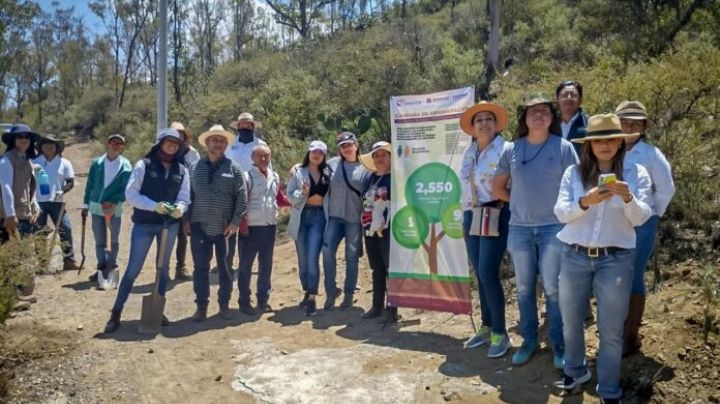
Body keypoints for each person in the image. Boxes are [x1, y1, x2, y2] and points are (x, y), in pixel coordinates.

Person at [553, 113, 652, 403]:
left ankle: (609, 389)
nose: (605, 145)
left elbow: (641, 218)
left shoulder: (636, 173)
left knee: (610, 329)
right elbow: (560, 212)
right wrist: (585, 201)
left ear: (621, 142)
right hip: (574, 255)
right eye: (598, 140)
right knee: (571, 321)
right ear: (590, 144)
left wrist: (628, 198)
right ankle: (575, 372)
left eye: (611, 139)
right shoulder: (574, 173)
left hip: (615, 259)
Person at [492, 93, 578, 368]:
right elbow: (497, 188)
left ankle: (559, 346)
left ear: (552, 117)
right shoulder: (511, 149)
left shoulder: (564, 147)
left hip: (554, 228)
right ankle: (529, 341)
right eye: (533, 111)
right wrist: (517, 201)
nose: (538, 114)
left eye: (544, 110)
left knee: (553, 289)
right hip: (518, 229)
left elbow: (575, 189)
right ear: (525, 119)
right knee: (525, 289)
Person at [103, 128, 190, 333]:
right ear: (160, 143)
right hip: (145, 224)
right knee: (133, 268)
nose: (172, 145)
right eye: (169, 141)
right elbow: (131, 194)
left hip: (169, 225)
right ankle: (116, 312)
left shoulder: (182, 170)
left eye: (176, 143)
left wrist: (180, 208)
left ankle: (157, 309)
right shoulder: (144, 165)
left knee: (163, 268)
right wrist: (154, 206)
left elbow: (185, 197)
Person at [615, 100, 676, 357]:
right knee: (615, 275)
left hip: (641, 224)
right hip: (614, 224)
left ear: (643, 126)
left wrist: (652, 213)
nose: (628, 126)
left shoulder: (651, 154)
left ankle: (630, 336)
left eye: (635, 122)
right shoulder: (610, 149)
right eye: (624, 121)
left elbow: (666, 189)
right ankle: (616, 329)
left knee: (634, 275)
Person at [458, 101, 512, 358]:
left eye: (488, 119)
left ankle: (501, 333)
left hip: (496, 212)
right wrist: (463, 217)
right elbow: (464, 186)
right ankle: (487, 326)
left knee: (489, 273)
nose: (483, 123)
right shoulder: (469, 153)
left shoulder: (506, 150)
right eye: (478, 120)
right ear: (472, 127)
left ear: (496, 124)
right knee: (480, 274)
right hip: (472, 215)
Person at [186, 125, 246, 322]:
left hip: (225, 228)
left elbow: (241, 196)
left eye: (221, 141)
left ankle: (224, 305)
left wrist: (236, 222)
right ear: (206, 144)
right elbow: (187, 196)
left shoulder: (234, 168)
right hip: (199, 226)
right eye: (214, 140)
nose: (218, 144)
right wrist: (186, 220)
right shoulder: (194, 168)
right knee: (200, 268)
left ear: (226, 144)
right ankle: (201, 306)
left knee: (226, 268)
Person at [322, 132, 367, 310]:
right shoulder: (332, 164)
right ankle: (331, 291)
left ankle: (349, 294)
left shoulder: (365, 166)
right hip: (334, 216)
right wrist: (298, 167)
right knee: (326, 252)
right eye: (343, 146)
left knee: (351, 257)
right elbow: (314, 170)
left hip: (354, 219)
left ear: (356, 145)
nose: (346, 148)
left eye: (349, 144)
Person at [287, 140, 331, 317]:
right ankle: (307, 290)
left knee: (313, 257)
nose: (317, 155)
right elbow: (290, 196)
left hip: (319, 217)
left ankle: (312, 296)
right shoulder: (298, 172)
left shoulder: (329, 171)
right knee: (302, 258)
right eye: (314, 151)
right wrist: (302, 192)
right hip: (301, 216)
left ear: (324, 155)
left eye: (321, 152)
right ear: (309, 153)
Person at [82, 134, 132, 285]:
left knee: (113, 239)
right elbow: (90, 185)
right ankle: (101, 267)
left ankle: (112, 265)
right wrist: (85, 205)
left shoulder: (126, 166)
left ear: (122, 147)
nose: (116, 145)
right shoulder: (97, 163)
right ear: (107, 144)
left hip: (113, 209)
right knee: (99, 239)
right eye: (114, 143)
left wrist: (115, 201)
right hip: (96, 207)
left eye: (120, 143)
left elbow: (128, 189)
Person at [237, 144, 280, 315]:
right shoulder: (246, 177)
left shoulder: (274, 175)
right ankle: (244, 300)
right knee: (246, 265)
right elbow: (241, 203)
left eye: (266, 156)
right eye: (260, 156)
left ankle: (263, 299)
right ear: (252, 158)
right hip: (251, 227)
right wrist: (243, 226)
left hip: (269, 225)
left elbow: (278, 197)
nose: (263, 159)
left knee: (266, 264)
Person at [359, 141, 398, 323]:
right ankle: (377, 306)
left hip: (389, 230)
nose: (380, 158)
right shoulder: (369, 178)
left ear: (390, 157)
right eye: (376, 155)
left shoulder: (396, 178)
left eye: (384, 155)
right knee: (376, 268)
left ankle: (392, 309)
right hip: (369, 229)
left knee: (391, 268)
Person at [224, 112, 267, 274]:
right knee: (229, 227)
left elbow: (266, 166)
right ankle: (226, 263)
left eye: (248, 124)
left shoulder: (261, 144)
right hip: (231, 190)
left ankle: (245, 263)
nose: (244, 127)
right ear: (238, 127)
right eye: (241, 124)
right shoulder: (230, 145)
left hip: (253, 190)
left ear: (253, 127)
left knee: (247, 229)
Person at [33, 134, 79, 270]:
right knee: (39, 232)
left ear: (56, 147)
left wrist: (62, 191)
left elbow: (70, 182)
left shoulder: (64, 163)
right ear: (40, 147)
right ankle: (42, 262)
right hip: (38, 202)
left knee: (66, 229)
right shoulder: (34, 162)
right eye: (45, 144)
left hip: (57, 202)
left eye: (51, 144)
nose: (48, 146)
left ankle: (69, 260)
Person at [169, 121, 200, 281]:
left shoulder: (191, 153)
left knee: (183, 234)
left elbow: (197, 173)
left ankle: (180, 267)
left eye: (181, 133)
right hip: (166, 196)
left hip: (186, 196)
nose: (178, 136)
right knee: (165, 234)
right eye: (175, 133)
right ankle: (162, 269)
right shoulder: (163, 151)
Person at [0, 124, 41, 241]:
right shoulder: (6, 160)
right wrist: (10, 214)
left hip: (24, 215)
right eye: (20, 137)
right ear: (14, 140)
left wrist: (35, 205)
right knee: (10, 256)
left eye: (27, 137)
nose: (24, 139)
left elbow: (28, 189)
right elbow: (5, 187)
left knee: (23, 255)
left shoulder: (27, 161)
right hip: (9, 218)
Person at [556, 80, 589, 154]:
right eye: (564, 95)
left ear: (580, 100)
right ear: (557, 100)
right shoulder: (549, 125)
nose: (569, 98)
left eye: (574, 95)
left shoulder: (589, 124)